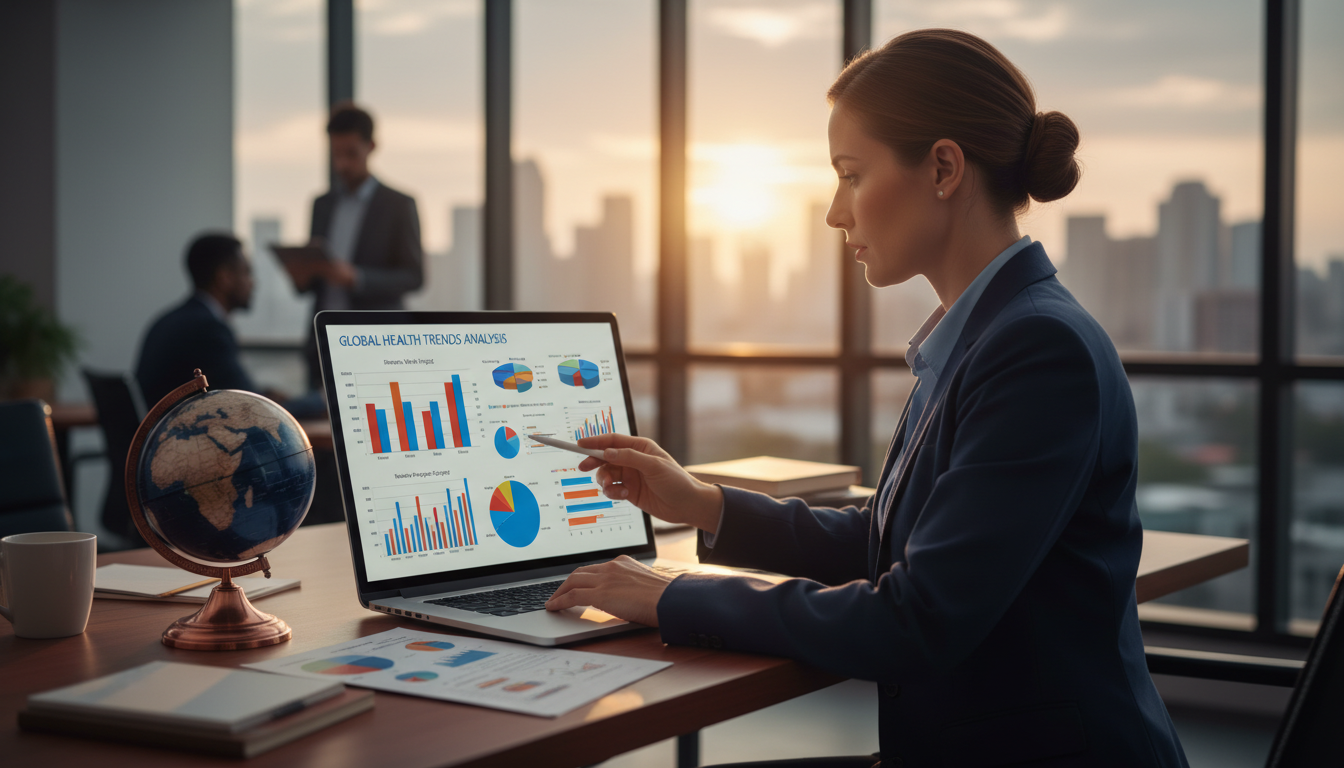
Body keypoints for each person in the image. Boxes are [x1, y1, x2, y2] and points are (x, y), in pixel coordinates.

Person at [544, 29, 1189, 768]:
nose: (834, 212)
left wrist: (669, 595)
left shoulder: (1037, 351)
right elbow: (887, 546)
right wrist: (702, 503)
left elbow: (916, 618)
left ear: (944, 168)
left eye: (851, 175)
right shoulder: (986, 334)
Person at [295, 102, 424, 391]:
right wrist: (302, 276)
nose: (342, 164)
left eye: (351, 154)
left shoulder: (399, 205)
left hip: (378, 345)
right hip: (324, 344)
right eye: (337, 154)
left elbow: (414, 276)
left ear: (372, 146)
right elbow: (312, 284)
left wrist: (357, 278)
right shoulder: (322, 205)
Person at [136, 233, 282, 407]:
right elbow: (248, 405)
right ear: (224, 277)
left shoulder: (172, 320)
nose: (253, 283)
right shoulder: (207, 329)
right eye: (246, 272)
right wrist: (315, 403)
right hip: (180, 432)